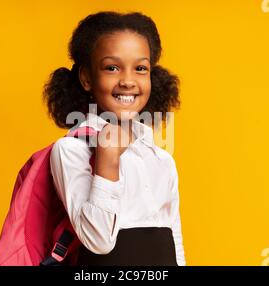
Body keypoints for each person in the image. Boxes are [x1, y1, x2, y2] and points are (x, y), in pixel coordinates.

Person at [44, 11, 185, 266]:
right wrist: (107, 160)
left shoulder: (161, 160)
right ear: (86, 77)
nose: (128, 81)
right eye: (112, 67)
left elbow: (174, 239)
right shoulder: (70, 150)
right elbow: (98, 241)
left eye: (140, 68)